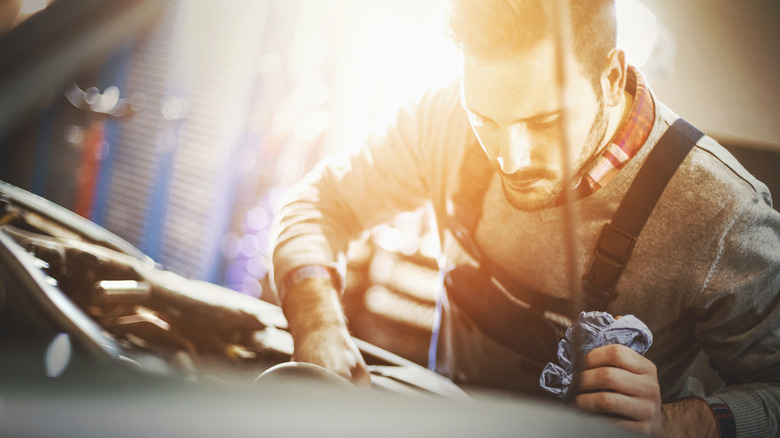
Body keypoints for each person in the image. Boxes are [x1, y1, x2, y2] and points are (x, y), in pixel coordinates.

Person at [269, 0, 780, 436]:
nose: (512, 160)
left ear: (611, 75)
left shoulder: (720, 211)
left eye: (546, 122)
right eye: (485, 121)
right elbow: (321, 203)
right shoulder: (443, 117)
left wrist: (670, 424)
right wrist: (318, 326)